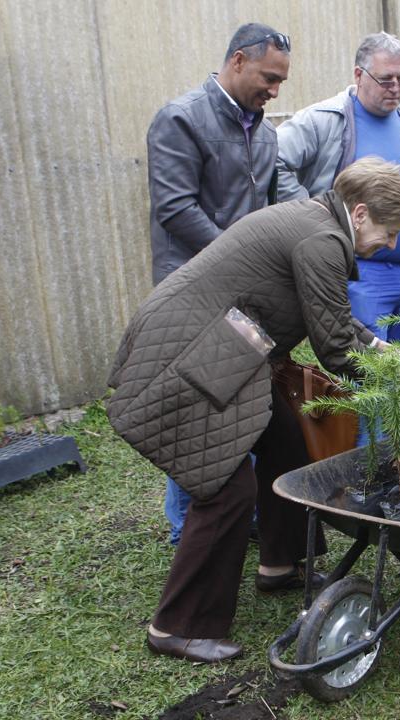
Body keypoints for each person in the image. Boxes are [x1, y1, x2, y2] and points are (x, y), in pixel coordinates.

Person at [106, 158, 400, 663]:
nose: (389, 245)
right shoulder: (322, 240)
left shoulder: (316, 223)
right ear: (360, 213)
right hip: (191, 355)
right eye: (388, 233)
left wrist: (389, 353)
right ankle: (178, 626)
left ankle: (281, 563)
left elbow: (334, 320)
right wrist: (398, 386)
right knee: (224, 489)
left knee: (285, 448)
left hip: (222, 350)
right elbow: (336, 349)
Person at [146, 23, 291, 544]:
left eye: (280, 83)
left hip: (244, 299)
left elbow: (271, 213)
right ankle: (187, 528)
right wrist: (239, 261)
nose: (274, 91)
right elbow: (175, 208)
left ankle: (241, 514)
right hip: (192, 297)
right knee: (198, 413)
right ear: (236, 61)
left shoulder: (268, 134)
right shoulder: (181, 119)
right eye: (268, 78)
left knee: (240, 406)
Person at [276, 31, 400, 344]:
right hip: (361, 275)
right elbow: (274, 160)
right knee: (367, 376)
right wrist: (312, 215)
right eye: (386, 79)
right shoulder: (324, 119)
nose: (396, 89)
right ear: (358, 74)